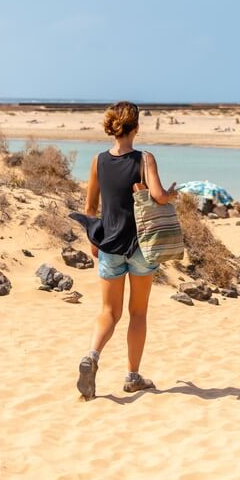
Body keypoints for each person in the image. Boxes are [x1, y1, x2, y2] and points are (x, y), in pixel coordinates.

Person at [70, 101, 178, 400]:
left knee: (108, 311)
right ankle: (132, 376)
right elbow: (157, 196)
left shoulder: (98, 161)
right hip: (141, 246)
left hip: (109, 245)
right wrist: (170, 195)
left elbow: (91, 207)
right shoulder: (145, 159)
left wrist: (94, 241)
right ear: (137, 128)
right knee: (138, 313)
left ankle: (92, 355)